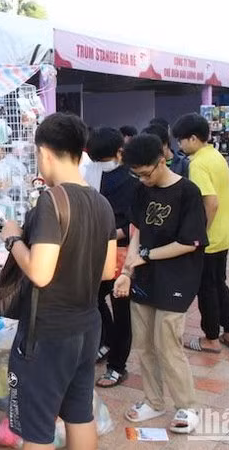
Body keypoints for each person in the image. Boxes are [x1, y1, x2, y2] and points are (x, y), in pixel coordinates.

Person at [0, 114, 117, 450]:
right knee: (80, 414)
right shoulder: (101, 202)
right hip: (87, 325)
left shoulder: (53, 201)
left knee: (37, 429)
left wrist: (13, 240)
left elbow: (39, 272)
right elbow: (108, 270)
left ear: (44, 153)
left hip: (47, 332)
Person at [115, 134, 207, 435]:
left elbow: (189, 243)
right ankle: (153, 400)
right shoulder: (142, 191)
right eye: (136, 175)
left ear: (161, 160)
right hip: (144, 277)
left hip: (177, 278)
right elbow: (137, 230)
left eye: (145, 173)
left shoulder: (188, 192)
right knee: (144, 344)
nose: (142, 180)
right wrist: (128, 270)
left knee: (168, 345)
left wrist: (147, 256)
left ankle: (187, 405)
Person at [172, 113, 229, 353]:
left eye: (181, 140)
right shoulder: (215, 155)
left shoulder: (197, 163)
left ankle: (211, 338)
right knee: (219, 284)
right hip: (224, 235)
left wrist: (201, 233)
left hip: (210, 239)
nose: (179, 145)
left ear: (193, 138)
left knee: (207, 289)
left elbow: (210, 202)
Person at [87, 127, 138, 388]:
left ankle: (117, 365)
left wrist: (106, 234)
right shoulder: (92, 174)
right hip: (102, 249)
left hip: (118, 251)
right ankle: (108, 344)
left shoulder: (130, 178)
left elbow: (132, 223)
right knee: (97, 299)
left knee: (116, 305)